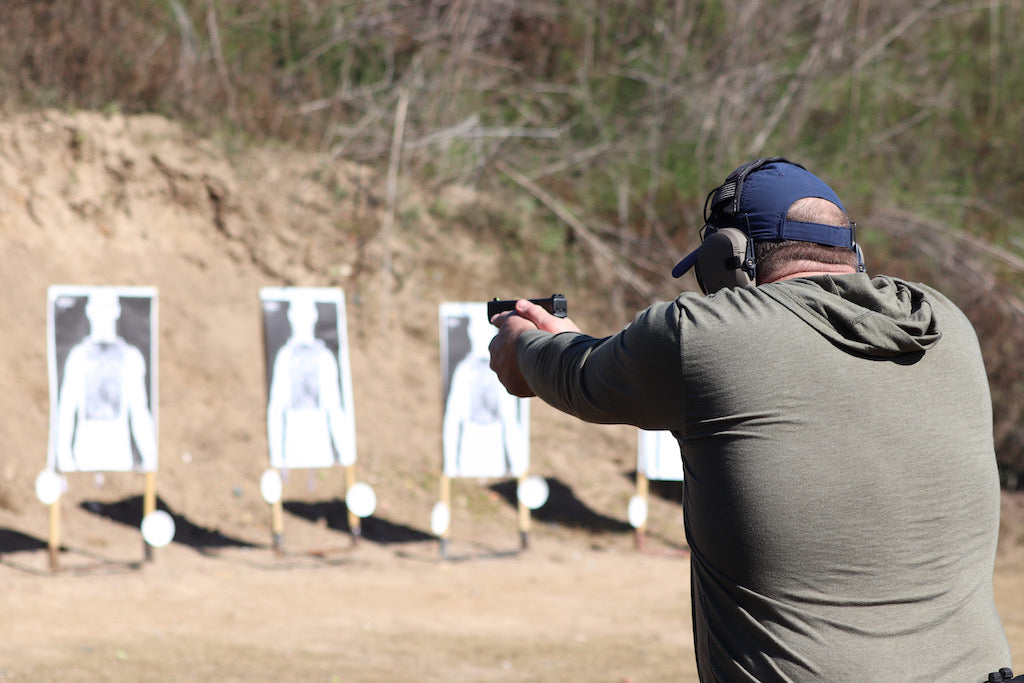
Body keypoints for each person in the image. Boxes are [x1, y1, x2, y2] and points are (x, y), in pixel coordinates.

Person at [488, 158, 1013, 681]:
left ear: (726, 260)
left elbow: (575, 376)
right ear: (852, 253)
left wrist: (524, 343)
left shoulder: (700, 335)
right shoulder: (946, 325)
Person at [55, 289, 157, 472]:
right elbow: (66, 410)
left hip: (119, 453)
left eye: (107, 308)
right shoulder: (78, 356)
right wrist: (64, 456)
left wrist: (149, 457)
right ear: (89, 311)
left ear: (116, 311)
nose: (102, 314)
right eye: (98, 308)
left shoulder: (130, 357)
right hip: (84, 453)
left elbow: (140, 412)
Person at [266, 295, 353, 470]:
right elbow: (276, 408)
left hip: (318, 436)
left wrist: (345, 452)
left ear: (313, 317)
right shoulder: (285, 356)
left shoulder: (324, 357)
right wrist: (277, 454)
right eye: (298, 315)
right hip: (293, 437)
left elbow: (334, 408)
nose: (302, 320)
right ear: (291, 317)